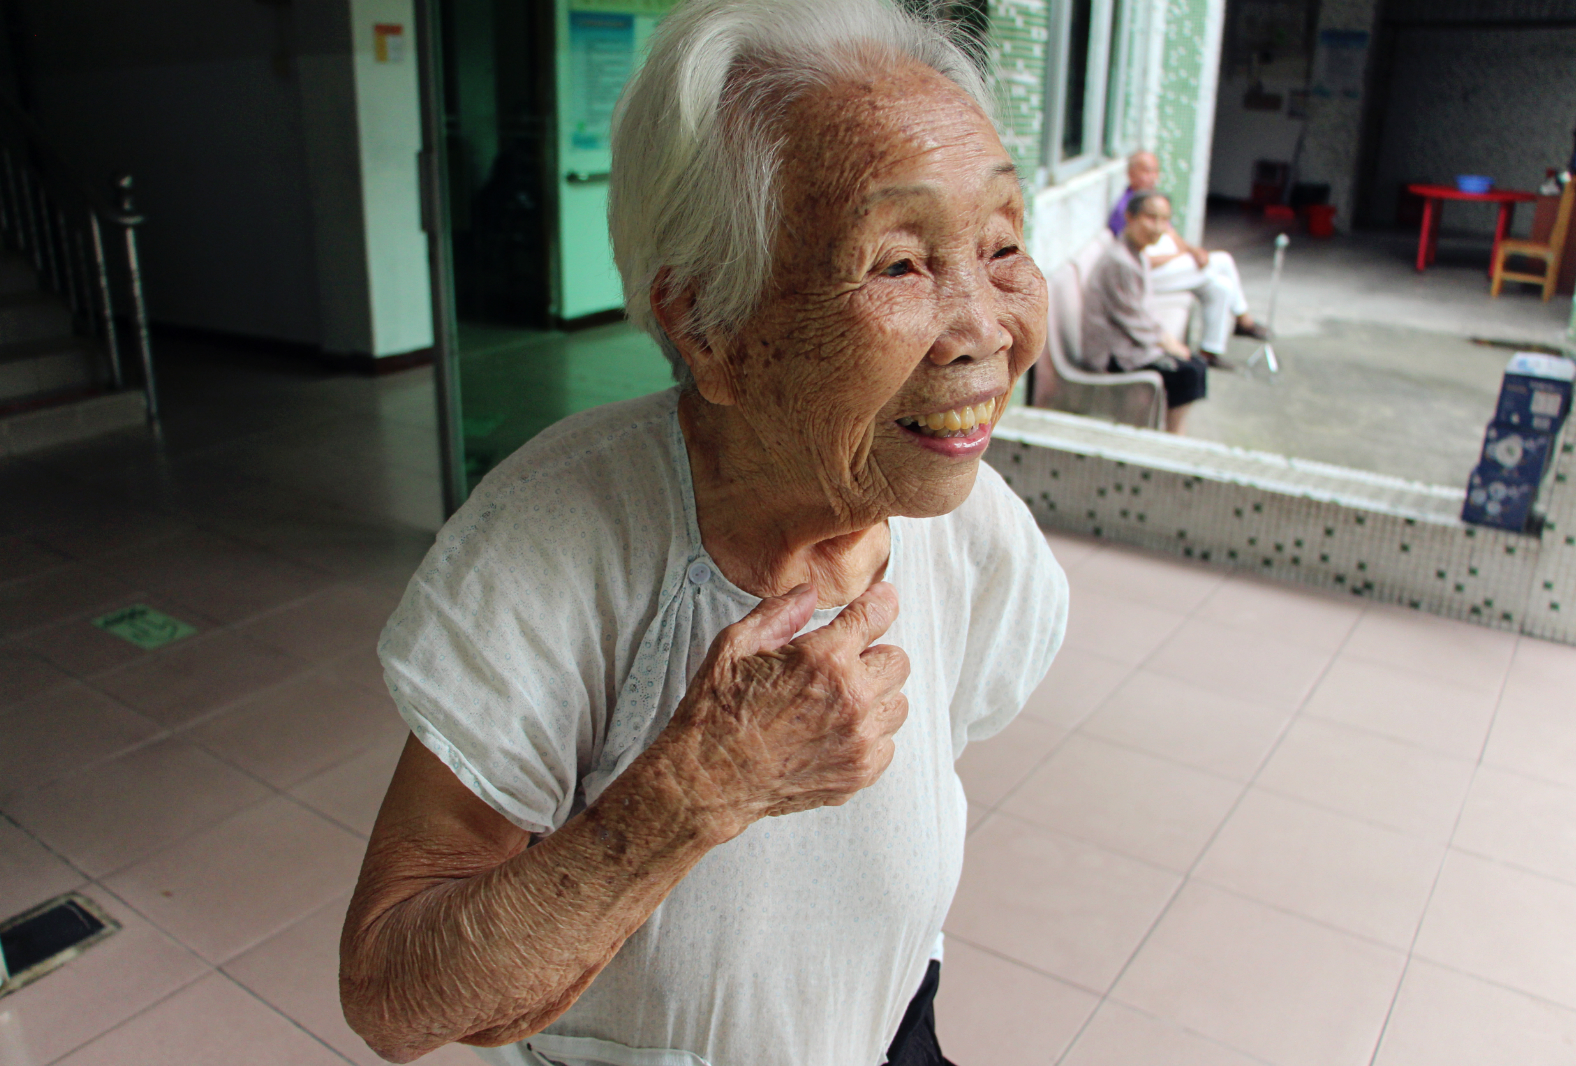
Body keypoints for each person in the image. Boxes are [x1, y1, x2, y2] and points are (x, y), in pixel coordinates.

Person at [337, 2, 1069, 1065]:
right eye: (899, 263)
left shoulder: (978, 529)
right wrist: (701, 785)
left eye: (1003, 244)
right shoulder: (553, 537)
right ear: (705, 324)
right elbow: (394, 999)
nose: (988, 329)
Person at [1109, 151, 1267, 367]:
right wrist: (1181, 256)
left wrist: (1193, 251)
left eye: (1155, 171)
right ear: (1131, 174)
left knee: (1221, 286)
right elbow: (1140, 259)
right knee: (1222, 261)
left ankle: (1210, 352)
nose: (1152, 177)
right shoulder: (1127, 209)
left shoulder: (1152, 202)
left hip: (1168, 269)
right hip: (1145, 275)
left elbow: (1172, 236)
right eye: (1145, 171)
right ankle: (1243, 319)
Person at [1083, 190, 1208, 435]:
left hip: (1129, 343)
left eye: (1164, 220)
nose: (1158, 227)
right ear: (1130, 217)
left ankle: (1173, 431)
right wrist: (1169, 344)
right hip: (1113, 355)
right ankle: (1173, 436)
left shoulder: (1136, 253)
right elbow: (1133, 320)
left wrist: (1168, 343)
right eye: (1151, 218)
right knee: (1188, 373)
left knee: (1196, 365)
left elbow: (1140, 313)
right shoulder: (1120, 260)